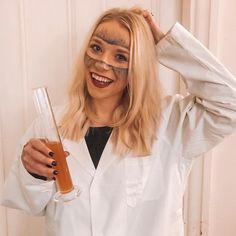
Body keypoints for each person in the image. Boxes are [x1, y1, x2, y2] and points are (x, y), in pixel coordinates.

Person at [1, 6, 236, 236]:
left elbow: (230, 104)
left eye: (121, 56)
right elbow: (30, 204)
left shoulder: (171, 122)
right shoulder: (50, 124)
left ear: (139, 65)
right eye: (96, 47)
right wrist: (33, 172)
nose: (102, 63)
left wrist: (169, 45)